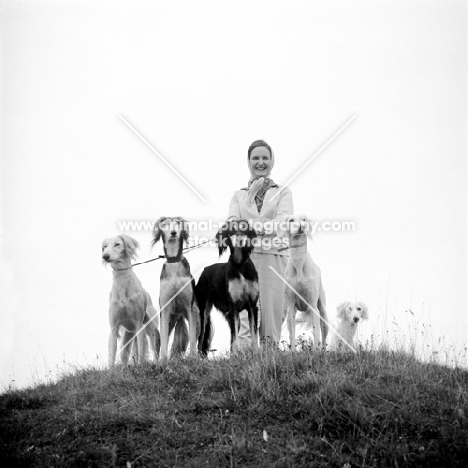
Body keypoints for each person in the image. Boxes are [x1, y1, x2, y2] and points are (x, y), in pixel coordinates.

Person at [228, 139, 294, 346]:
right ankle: (244, 361)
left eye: (265, 157)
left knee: (272, 313)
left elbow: (283, 221)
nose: (260, 162)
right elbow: (232, 224)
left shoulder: (283, 192)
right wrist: (252, 198)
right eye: (255, 158)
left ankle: (268, 362)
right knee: (245, 315)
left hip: (275, 257)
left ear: (272, 161)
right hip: (245, 260)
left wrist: (250, 226)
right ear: (248, 161)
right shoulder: (239, 195)